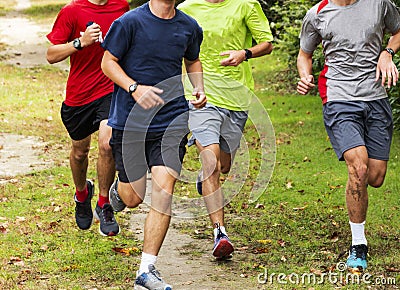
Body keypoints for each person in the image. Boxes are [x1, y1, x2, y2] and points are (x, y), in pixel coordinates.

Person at [100, 0, 206, 288]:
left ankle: (146, 270)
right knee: (133, 198)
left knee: (164, 191)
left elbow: (192, 59)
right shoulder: (129, 22)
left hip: (171, 121)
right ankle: (118, 191)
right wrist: (134, 88)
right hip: (130, 122)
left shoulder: (188, 26)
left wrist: (198, 87)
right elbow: (107, 62)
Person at [297, 0, 400, 272]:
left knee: (375, 177)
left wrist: (388, 52)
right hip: (338, 97)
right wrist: (305, 75)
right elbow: (304, 54)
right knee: (359, 166)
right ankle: (358, 244)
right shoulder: (317, 14)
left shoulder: (379, 4)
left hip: (376, 97)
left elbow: (399, 30)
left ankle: (358, 208)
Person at [178, 0, 273, 259]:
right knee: (211, 161)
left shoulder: (246, 5)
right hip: (201, 97)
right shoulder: (187, 8)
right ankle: (220, 233)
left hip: (237, 99)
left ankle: (204, 178)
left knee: (224, 165)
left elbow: (267, 43)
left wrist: (245, 53)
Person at [46, 0, 129, 236]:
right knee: (80, 152)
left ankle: (104, 204)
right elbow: (51, 55)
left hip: (109, 90)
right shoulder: (71, 11)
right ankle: (82, 194)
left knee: (107, 143)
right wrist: (80, 42)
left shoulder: (121, 7)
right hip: (79, 95)